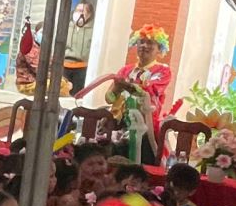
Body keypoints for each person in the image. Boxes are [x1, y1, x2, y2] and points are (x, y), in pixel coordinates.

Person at [74, 26, 173, 154]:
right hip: (118, 124)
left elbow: (148, 91)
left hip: (144, 127)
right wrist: (116, 88)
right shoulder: (126, 70)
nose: (144, 46)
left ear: (159, 48)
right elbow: (109, 98)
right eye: (141, 42)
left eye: (150, 43)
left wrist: (125, 85)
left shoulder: (163, 71)